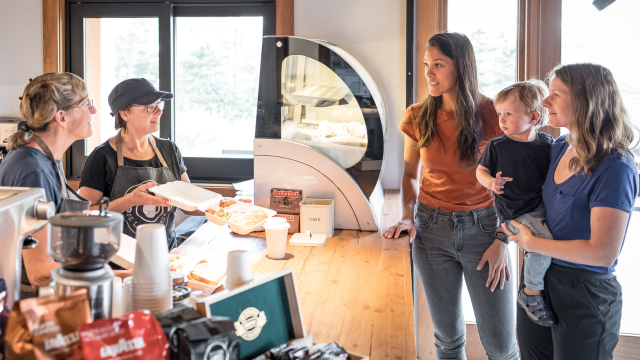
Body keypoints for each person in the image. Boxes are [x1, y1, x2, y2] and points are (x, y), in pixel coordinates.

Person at [384, 32, 519, 360]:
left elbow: (516, 185)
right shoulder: (417, 115)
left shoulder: (491, 114)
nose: (429, 72)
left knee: (502, 347)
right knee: (447, 340)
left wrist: (504, 239)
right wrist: (405, 215)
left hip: (484, 231)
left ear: (461, 66)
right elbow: (408, 175)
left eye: (438, 65)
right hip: (430, 231)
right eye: (427, 64)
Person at [505, 63, 638, 360]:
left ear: (586, 101)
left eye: (555, 94)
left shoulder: (616, 166)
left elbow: (603, 253)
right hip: (539, 281)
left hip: (585, 291)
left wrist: (530, 243)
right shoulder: (559, 146)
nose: (545, 101)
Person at [79, 78, 202, 250]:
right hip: (120, 262)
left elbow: (189, 203)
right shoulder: (102, 157)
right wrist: (129, 201)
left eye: (158, 104)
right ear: (124, 114)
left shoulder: (169, 150)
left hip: (167, 255)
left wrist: (226, 208)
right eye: (150, 107)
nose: (159, 111)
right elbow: (84, 215)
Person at [0, 73, 95, 296]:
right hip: (21, 301)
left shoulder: (47, 158)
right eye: (87, 104)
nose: (94, 111)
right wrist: (115, 276)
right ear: (61, 117)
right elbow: (40, 272)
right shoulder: (32, 171)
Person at [476, 80, 556, 326]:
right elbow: (480, 171)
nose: (501, 120)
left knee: (548, 240)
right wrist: (491, 183)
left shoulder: (546, 144)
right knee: (543, 244)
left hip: (539, 207)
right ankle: (530, 291)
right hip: (515, 210)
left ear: (533, 116)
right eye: (500, 113)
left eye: (508, 114)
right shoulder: (497, 145)